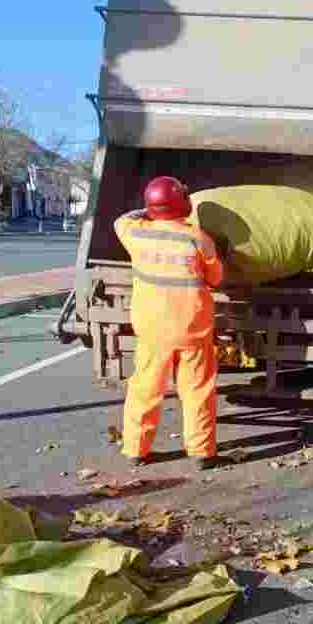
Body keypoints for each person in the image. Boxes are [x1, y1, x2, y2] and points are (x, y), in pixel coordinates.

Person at [114, 175, 231, 470]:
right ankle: (202, 453)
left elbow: (121, 220)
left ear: (150, 207)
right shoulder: (198, 238)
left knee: (145, 389)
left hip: (152, 330)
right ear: (184, 204)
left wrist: (149, 211)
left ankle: (136, 450)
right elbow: (216, 278)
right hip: (192, 329)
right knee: (197, 391)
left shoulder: (135, 233)